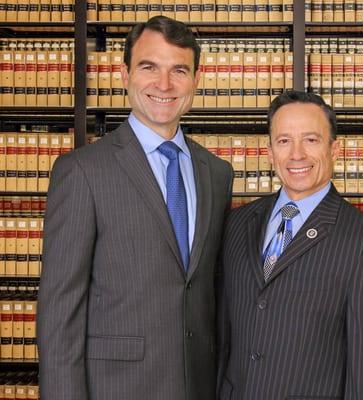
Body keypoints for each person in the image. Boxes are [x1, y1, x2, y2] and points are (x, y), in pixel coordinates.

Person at [37, 16, 233, 400]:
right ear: (124, 73)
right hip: (117, 388)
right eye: (149, 67)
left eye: (179, 70)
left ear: (197, 78)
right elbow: (60, 314)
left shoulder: (218, 174)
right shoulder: (82, 172)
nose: (164, 84)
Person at [217, 90, 363, 400]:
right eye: (284, 141)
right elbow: (225, 341)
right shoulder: (237, 224)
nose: (297, 154)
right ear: (269, 151)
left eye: (311, 140)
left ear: (335, 149)